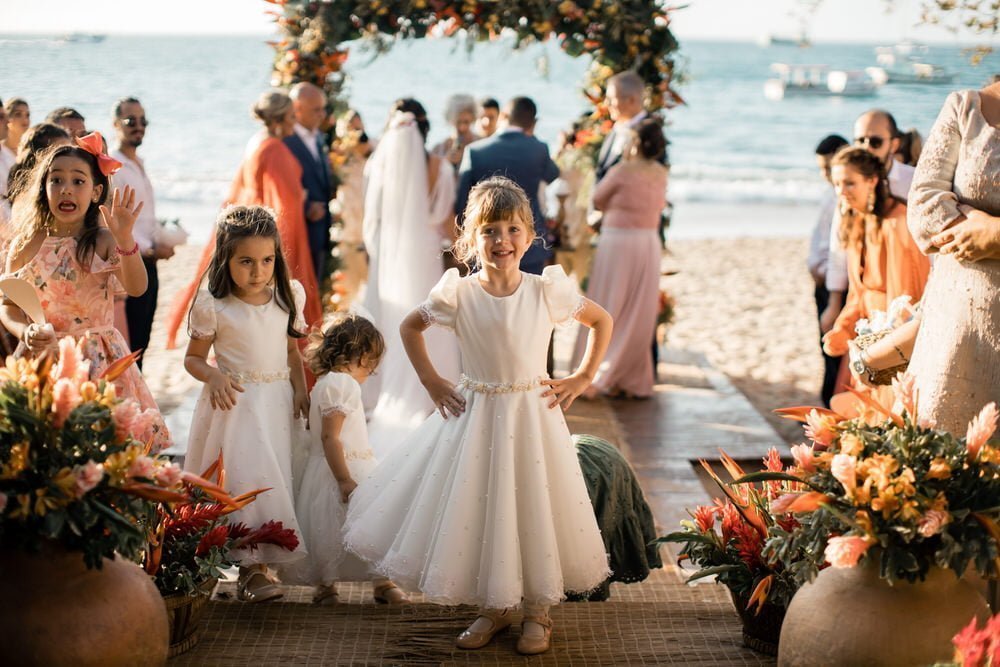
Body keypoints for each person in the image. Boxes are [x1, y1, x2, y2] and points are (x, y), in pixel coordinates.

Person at [343, 177, 613, 656]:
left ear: (529, 238)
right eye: (490, 231)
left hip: (532, 416)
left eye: (512, 230)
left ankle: (536, 610)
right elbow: (408, 327)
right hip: (478, 414)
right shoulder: (459, 293)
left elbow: (601, 321)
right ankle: (496, 604)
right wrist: (431, 381)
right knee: (485, 506)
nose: (502, 241)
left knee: (531, 505)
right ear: (470, 238)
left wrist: (582, 377)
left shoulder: (545, 290)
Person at [0, 135, 169, 451]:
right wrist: (26, 331)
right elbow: (8, 304)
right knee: (44, 449)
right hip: (43, 357)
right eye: (56, 180)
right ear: (44, 188)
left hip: (98, 360)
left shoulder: (102, 241)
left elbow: (136, 287)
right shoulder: (25, 244)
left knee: (103, 449)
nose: (66, 188)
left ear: (96, 192)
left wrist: (125, 238)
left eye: (78, 181)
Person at [182, 205, 308, 603]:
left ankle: (261, 565)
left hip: (275, 405)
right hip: (234, 407)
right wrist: (214, 375)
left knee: (274, 478)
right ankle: (247, 568)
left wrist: (302, 389)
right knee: (242, 480)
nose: (258, 271)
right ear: (225, 260)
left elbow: (291, 354)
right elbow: (192, 359)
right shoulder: (215, 306)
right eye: (246, 261)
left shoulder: (288, 298)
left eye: (267, 260)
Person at [165, 91, 322, 349]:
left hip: (251, 232)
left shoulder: (257, 142)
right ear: (280, 119)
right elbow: (283, 205)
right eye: (292, 117)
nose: (295, 122)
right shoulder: (274, 149)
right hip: (272, 234)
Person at [282, 312, 409, 605]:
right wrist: (344, 478)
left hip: (322, 468)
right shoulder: (343, 385)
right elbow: (330, 437)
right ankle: (381, 581)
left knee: (327, 528)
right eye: (371, 364)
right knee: (366, 524)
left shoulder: (324, 383)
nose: (370, 372)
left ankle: (328, 585)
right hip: (344, 467)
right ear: (361, 356)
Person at [361, 98, 460, 453]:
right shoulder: (440, 167)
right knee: (430, 319)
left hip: (390, 256)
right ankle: (438, 387)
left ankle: (383, 388)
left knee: (391, 317)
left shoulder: (379, 164)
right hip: (426, 255)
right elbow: (444, 221)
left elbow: (371, 219)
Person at [904, 87, 1000, 432]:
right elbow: (923, 210)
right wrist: (970, 229)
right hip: (956, 342)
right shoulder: (967, 107)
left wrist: (994, 235)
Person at [821, 147, 930, 403]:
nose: (841, 191)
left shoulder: (900, 222)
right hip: (864, 335)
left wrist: (888, 348)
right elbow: (858, 293)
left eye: (849, 183)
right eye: (836, 184)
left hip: (890, 340)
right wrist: (843, 327)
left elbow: (908, 297)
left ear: (871, 181)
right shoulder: (857, 221)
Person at [572, 120, 667, 399]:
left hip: (619, 241)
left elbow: (598, 199)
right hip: (648, 242)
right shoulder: (661, 172)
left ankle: (597, 372)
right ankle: (630, 378)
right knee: (639, 310)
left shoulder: (622, 170)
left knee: (608, 302)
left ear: (635, 143)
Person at [822, 110, 915, 336]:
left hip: (897, 307)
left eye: (874, 142)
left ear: (894, 144)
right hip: (858, 299)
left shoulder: (913, 182)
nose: (866, 148)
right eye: (860, 140)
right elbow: (839, 247)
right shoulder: (848, 197)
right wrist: (835, 303)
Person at [455, 96, 560, 275]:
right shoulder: (539, 148)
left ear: (503, 115)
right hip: (529, 245)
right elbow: (553, 174)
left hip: (487, 248)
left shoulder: (475, 151)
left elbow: (460, 205)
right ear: (532, 123)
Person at [110, 97, 173, 369]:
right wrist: (148, 249)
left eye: (143, 121)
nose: (139, 127)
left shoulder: (138, 162)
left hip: (150, 261)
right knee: (131, 343)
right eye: (130, 121)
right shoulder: (114, 166)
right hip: (132, 261)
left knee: (143, 340)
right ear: (115, 125)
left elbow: (143, 217)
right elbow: (114, 221)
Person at [807, 134, 848, 407]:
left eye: (827, 167)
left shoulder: (844, 197)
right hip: (822, 282)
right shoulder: (828, 194)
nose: (824, 174)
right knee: (825, 350)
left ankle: (832, 406)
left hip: (836, 285)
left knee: (834, 351)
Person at [286, 82, 334, 284]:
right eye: (316, 109)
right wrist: (306, 207)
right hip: (299, 231)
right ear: (297, 108)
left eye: (323, 108)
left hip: (322, 229)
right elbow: (282, 187)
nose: (322, 114)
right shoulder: (286, 141)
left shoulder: (319, 138)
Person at [332, 109, 373, 304]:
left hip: (371, 242)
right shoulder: (337, 159)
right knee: (345, 298)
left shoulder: (374, 156)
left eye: (359, 128)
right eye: (351, 130)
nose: (356, 135)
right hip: (347, 239)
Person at [595, 71, 648, 183]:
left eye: (611, 99)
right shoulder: (616, 128)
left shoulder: (649, 134)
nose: (606, 104)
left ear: (631, 100)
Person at [432, 94, 478, 173]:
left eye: (466, 122)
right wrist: (445, 162)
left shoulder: (481, 144)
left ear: (473, 119)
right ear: (450, 121)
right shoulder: (438, 148)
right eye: (458, 122)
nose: (462, 127)